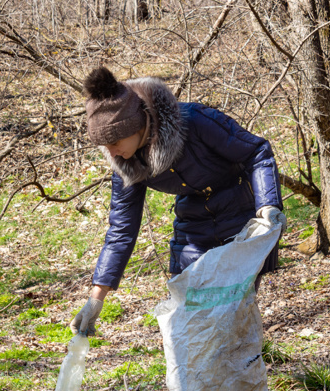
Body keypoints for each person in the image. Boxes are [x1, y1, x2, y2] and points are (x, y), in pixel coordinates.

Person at [71, 67, 286, 336]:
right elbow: (121, 230)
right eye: (105, 146)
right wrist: (96, 298)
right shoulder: (126, 163)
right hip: (193, 222)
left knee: (231, 315)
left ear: (134, 124)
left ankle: (242, 362)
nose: (112, 152)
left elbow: (257, 151)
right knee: (188, 322)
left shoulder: (195, 121)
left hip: (239, 214)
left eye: (114, 142)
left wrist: (268, 205)